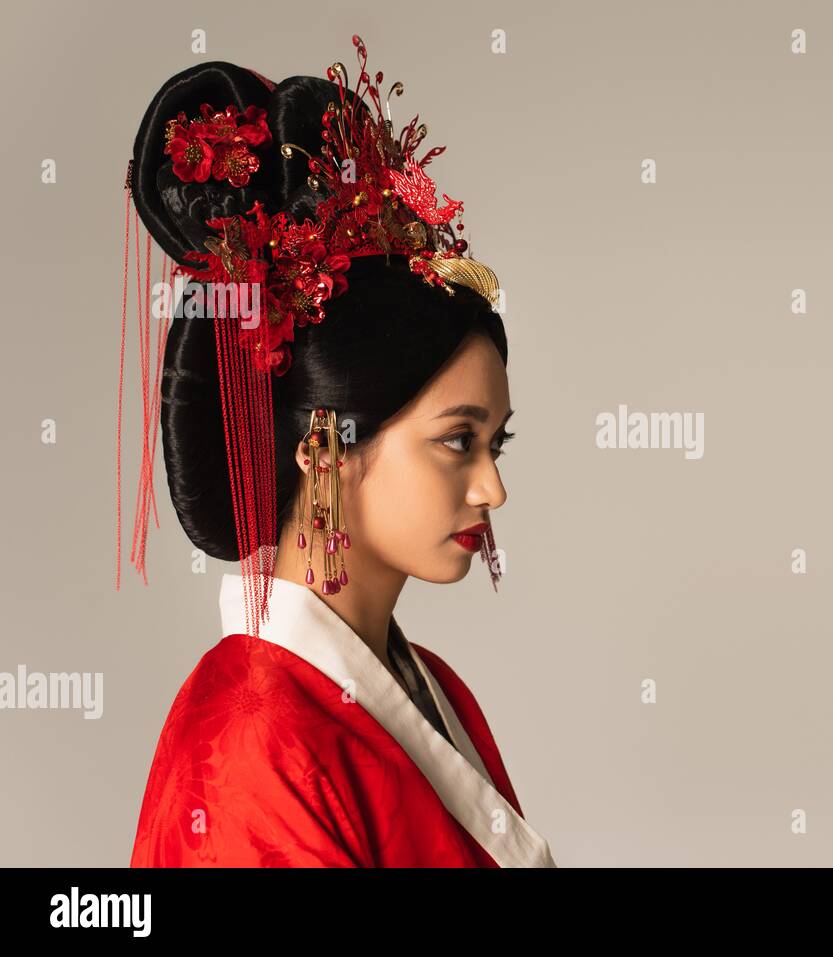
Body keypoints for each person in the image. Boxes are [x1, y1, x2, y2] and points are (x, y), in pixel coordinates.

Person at [120, 36, 556, 867]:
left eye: (494, 443)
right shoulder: (252, 738)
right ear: (330, 443)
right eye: (457, 441)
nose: (492, 487)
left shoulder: (431, 686)